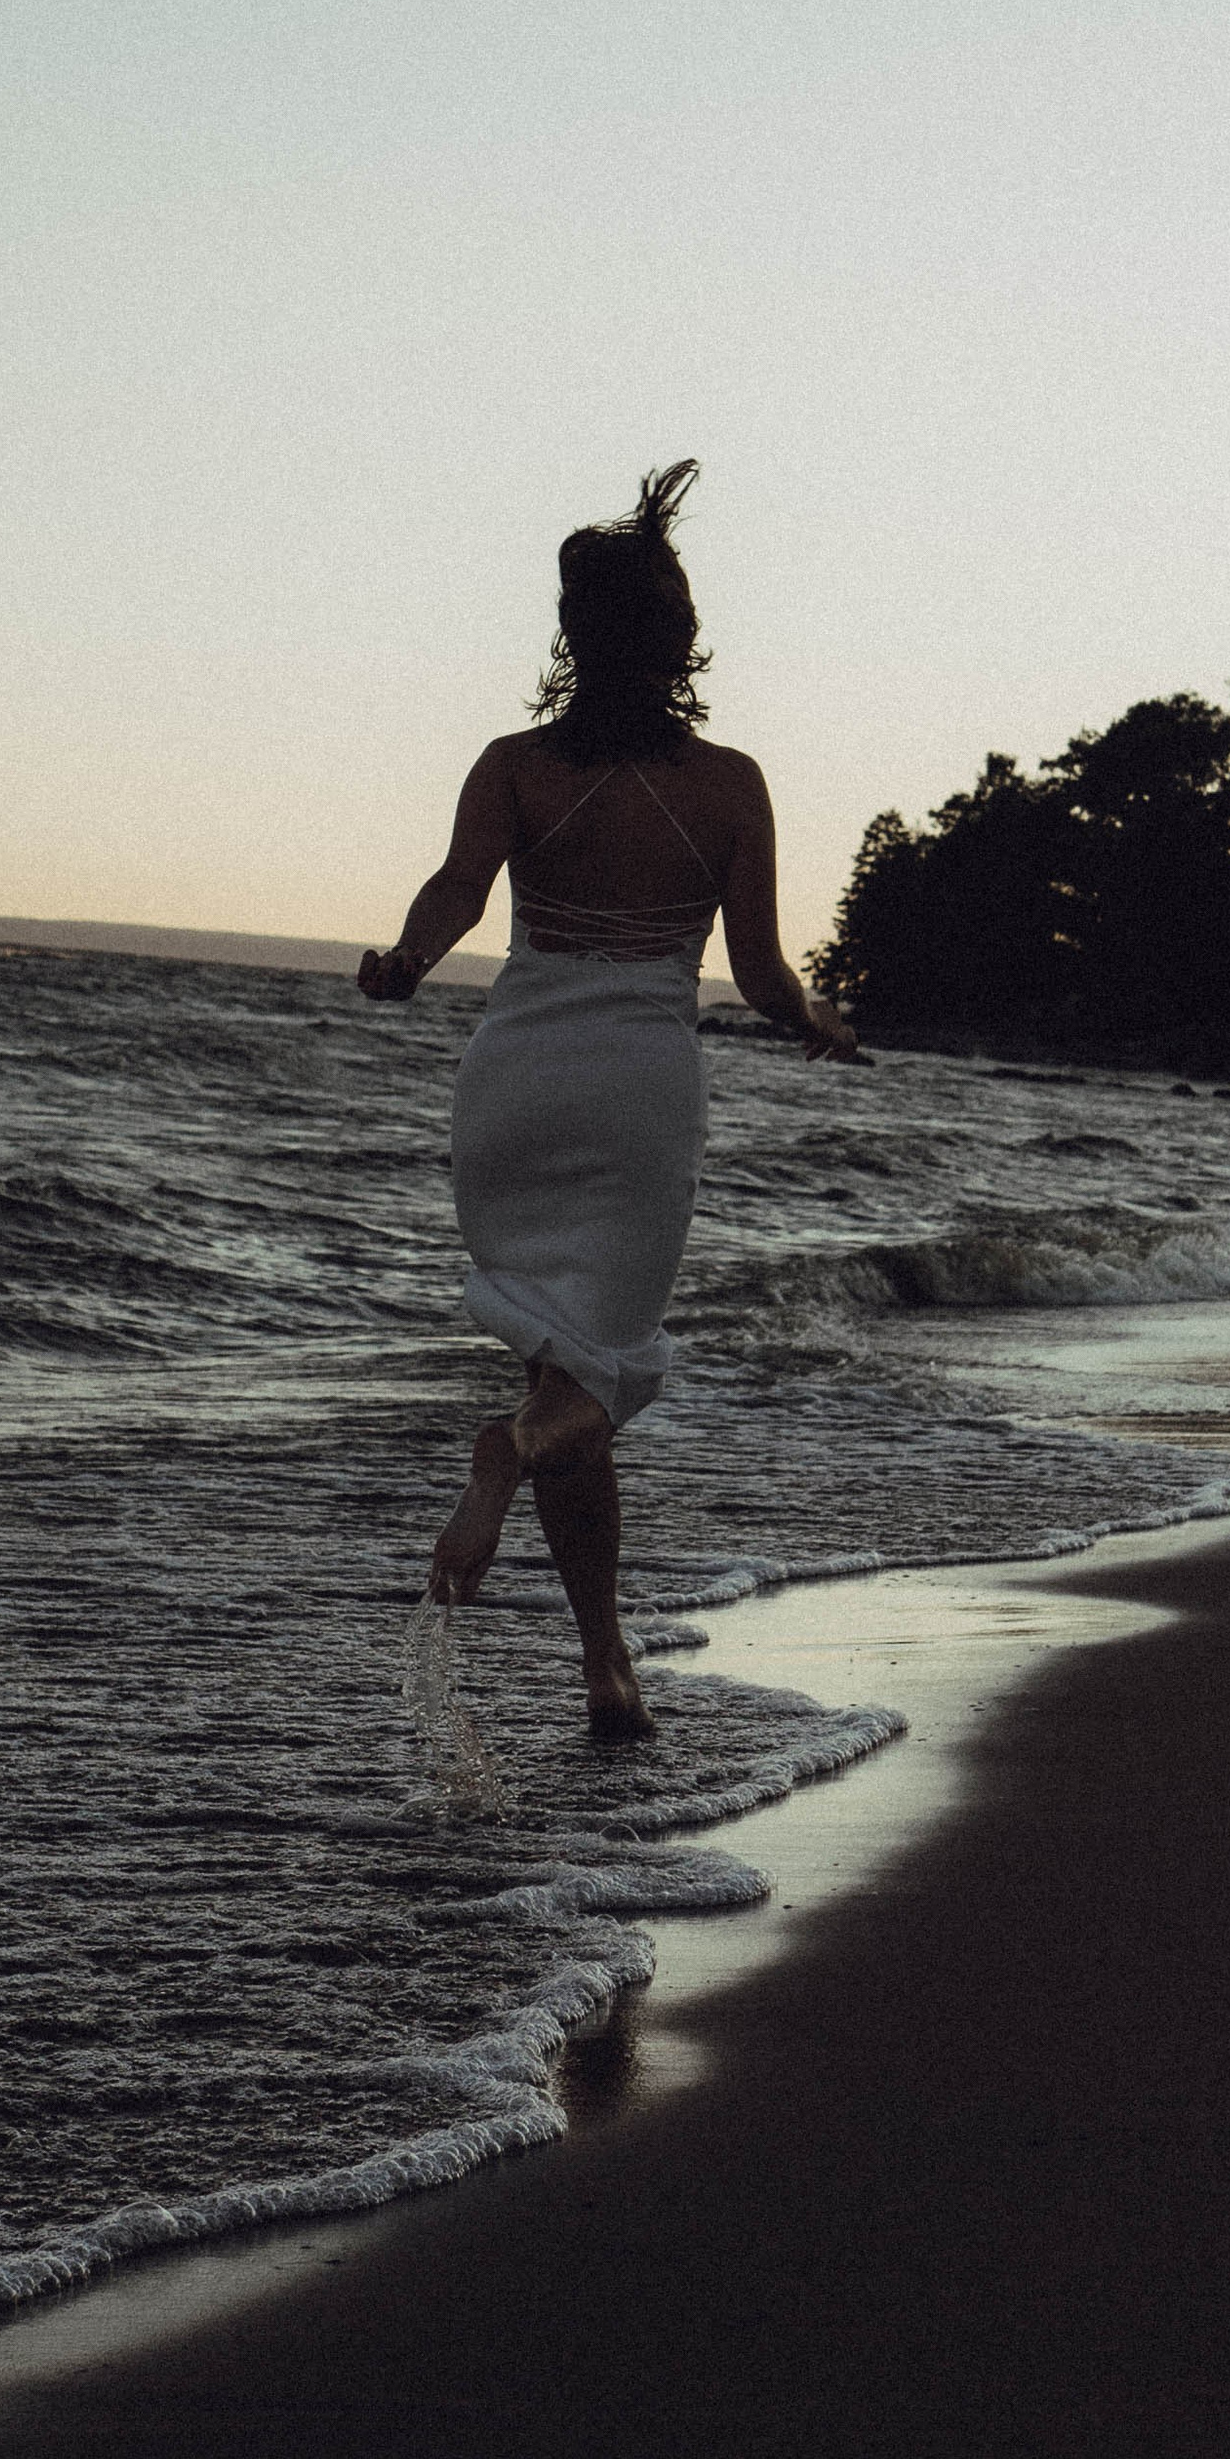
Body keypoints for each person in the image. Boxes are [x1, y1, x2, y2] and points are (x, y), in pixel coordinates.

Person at [359, 462, 859, 1738]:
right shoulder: (730, 784)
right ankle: (506, 1457)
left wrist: (409, 962)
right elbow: (755, 973)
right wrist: (815, 1022)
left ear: (570, 636)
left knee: (565, 1359)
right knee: (597, 1375)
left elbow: (454, 893)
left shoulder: (515, 764)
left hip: (515, 1078)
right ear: (683, 638)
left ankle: (606, 1666)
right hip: (638, 1088)